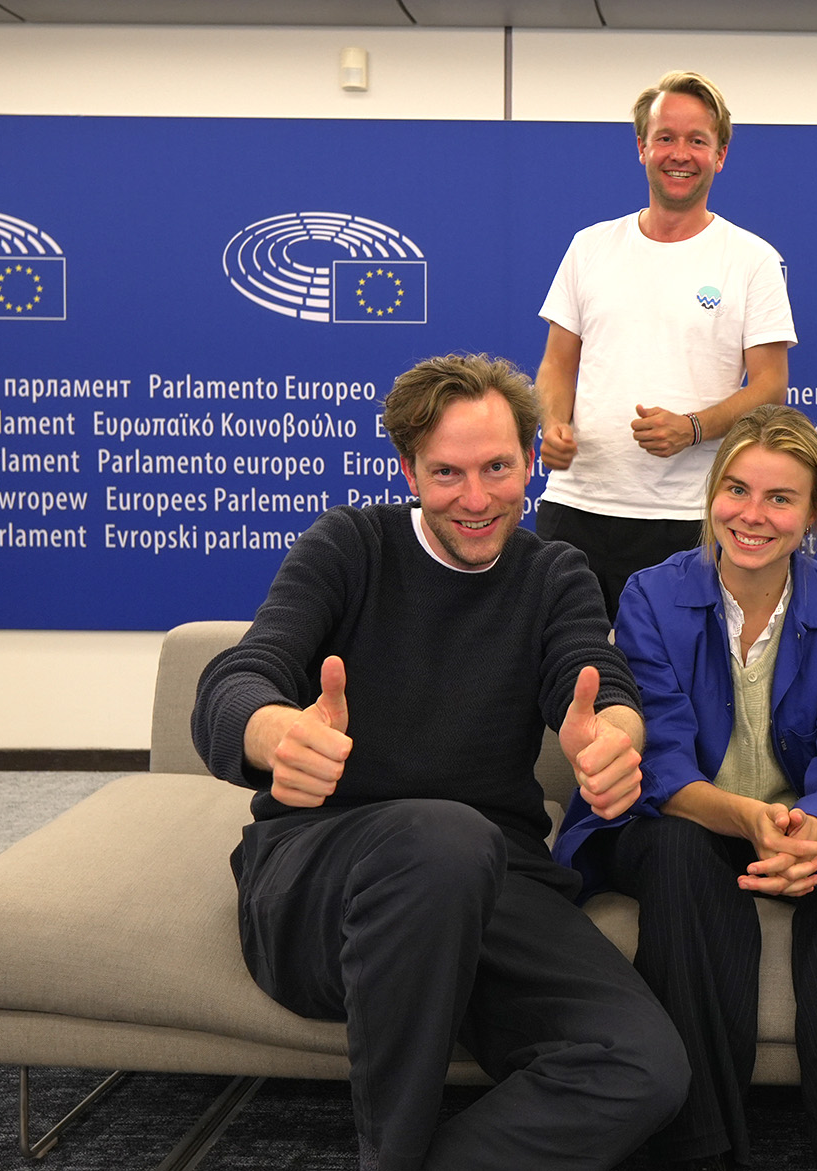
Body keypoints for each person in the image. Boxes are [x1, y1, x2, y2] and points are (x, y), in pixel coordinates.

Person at [191, 353, 689, 1171]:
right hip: (327, 880)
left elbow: (600, 684)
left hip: (490, 879)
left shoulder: (553, 571)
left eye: (498, 467)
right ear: (408, 471)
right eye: (447, 473)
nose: (478, 497)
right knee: (442, 837)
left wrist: (612, 739)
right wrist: (274, 732)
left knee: (644, 1066)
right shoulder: (350, 545)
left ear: (530, 460)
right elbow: (237, 677)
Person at [554, 404, 817, 1171]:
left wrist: (812, 827)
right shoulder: (652, 595)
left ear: (815, 511)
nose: (752, 515)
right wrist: (748, 818)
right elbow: (661, 765)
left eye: (780, 498)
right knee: (684, 853)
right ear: (713, 493)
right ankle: (701, 1142)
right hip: (675, 820)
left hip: (791, 823)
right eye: (738, 490)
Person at [536, 69, 798, 620]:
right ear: (642, 148)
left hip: (692, 514)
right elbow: (557, 363)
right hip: (579, 505)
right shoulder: (589, 247)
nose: (680, 153)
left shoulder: (751, 259)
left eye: (697, 140)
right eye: (666, 138)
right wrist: (553, 423)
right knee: (568, 676)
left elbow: (771, 386)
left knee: (682, 686)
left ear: (720, 154)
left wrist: (695, 426)